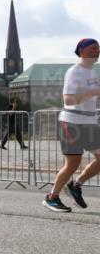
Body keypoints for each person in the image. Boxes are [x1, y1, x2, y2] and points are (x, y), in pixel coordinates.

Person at [43, 38, 100, 212]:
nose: (98, 51)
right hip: (72, 122)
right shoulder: (74, 71)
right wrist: (93, 92)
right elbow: (68, 99)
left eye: (98, 48)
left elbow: (94, 98)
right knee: (73, 164)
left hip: (89, 121)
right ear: (82, 51)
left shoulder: (92, 72)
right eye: (93, 48)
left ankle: (76, 185)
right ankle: (52, 197)